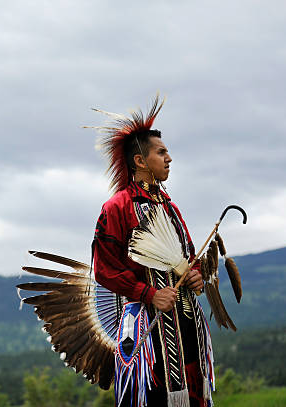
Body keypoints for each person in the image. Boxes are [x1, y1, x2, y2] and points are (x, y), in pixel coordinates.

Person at [91, 97, 214, 407]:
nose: (169, 158)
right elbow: (105, 269)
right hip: (148, 330)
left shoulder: (169, 207)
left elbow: (186, 257)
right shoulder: (117, 209)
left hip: (186, 327)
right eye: (161, 152)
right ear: (140, 161)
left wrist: (194, 277)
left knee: (193, 394)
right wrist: (147, 293)